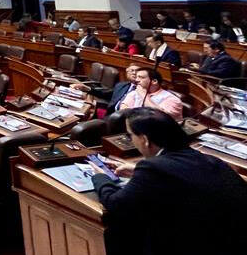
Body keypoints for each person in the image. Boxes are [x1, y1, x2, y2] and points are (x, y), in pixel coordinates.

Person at [89, 108, 247, 255]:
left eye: (130, 135)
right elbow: (180, 178)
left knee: (119, 229)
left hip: (197, 245)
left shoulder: (153, 168)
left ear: (144, 139)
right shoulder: (209, 159)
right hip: (231, 240)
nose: (130, 139)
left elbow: (116, 204)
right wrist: (137, 170)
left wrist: (101, 176)